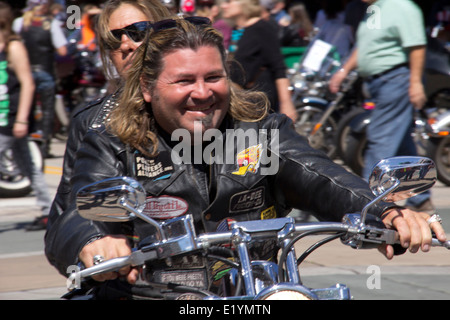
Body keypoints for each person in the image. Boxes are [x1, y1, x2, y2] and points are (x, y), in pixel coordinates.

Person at [45, 17, 447, 299]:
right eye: (184, 80)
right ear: (148, 88)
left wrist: (385, 212)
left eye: (212, 77)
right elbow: (79, 207)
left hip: (255, 287)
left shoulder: (260, 130)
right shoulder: (114, 138)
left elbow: (318, 173)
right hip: (149, 292)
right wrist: (96, 240)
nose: (202, 93)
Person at [46, 0, 171, 231]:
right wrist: (91, 241)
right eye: (114, 39)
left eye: (138, 31)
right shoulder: (91, 123)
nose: (125, 45)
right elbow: (67, 220)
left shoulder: (212, 102)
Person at [329, 0, 433, 212]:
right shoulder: (374, 10)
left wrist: (415, 83)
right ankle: (420, 198)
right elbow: (365, 45)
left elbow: (417, 46)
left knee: (379, 139)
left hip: (395, 80)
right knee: (402, 143)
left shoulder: (402, 7)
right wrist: (343, 70)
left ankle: (367, 203)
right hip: (379, 83)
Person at [0, 1, 52, 231]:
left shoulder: (13, 47)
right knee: (28, 165)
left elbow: (28, 84)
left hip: (10, 119)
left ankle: (49, 211)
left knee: (27, 164)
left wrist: (21, 119)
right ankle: (48, 211)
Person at [221, 0, 297, 121]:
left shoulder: (262, 28)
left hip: (257, 103)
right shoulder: (237, 29)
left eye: (229, 1)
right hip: (238, 100)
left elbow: (279, 68)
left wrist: (286, 104)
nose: (223, 6)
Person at [12, 0, 68, 159]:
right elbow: (63, 50)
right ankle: (44, 148)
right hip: (45, 72)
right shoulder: (52, 23)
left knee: (25, 109)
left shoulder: (20, 22)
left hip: (25, 72)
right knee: (47, 112)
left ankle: (26, 145)